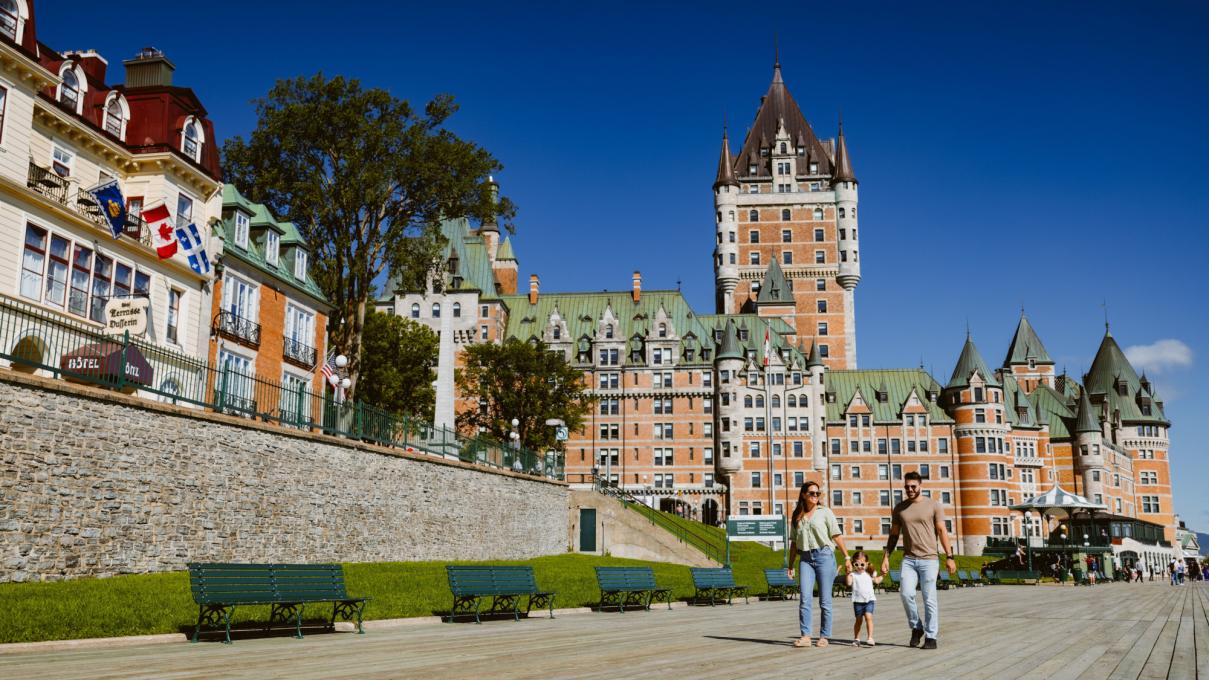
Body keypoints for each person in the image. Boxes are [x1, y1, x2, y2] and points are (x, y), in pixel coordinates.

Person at [881, 471, 957, 650]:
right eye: (907, 487)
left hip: (930, 559)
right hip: (909, 559)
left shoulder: (934, 505)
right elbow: (893, 535)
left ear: (920, 486)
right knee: (905, 594)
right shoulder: (899, 508)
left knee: (929, 598)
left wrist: (949, 556)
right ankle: (916, 627)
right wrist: (886, 557)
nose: (910, 489)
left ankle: (931, 636)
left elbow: (941, 531)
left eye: (913, 486)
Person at [787, 480, 852, 648]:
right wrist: (790, 565)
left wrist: (846, 557)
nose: (815, 496)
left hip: (824, 556)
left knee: (825, 600)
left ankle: (824, 636)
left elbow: (836, 535)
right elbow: (794, 543)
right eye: (812, 493)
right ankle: (806, 636)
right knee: (805, 598)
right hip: (805, 559)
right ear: (803, 495)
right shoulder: (797, 516)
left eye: (818, 493)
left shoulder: (825, 512)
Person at [847, 550, 883, 647]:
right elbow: (849, 583)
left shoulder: (870, 573)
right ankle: (856, 638)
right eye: (856, 564)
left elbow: (877, 581)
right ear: (853, 564)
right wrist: (848, 573)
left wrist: (883, 575)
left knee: (868, 617)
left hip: (869, 600)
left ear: (866, 564)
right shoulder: (853, 574)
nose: (859, 566)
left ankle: (870, 637)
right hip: (857, 601)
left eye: (862, 564)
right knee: (858, 620)